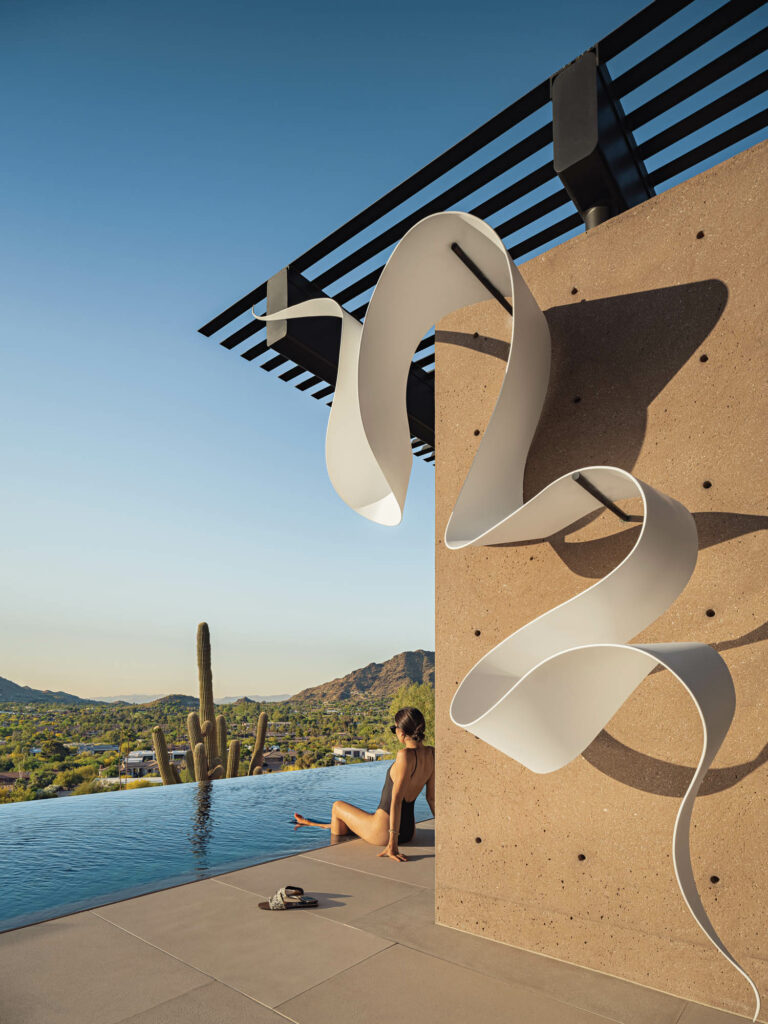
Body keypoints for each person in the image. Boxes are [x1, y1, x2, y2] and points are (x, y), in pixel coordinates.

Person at [293, 707, 435, 862]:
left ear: (401, 732)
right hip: (409, 831)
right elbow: (432, 799)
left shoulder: (404, 755)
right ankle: (314, 824)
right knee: (359, 817)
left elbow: (396, 802)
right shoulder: (432, 753)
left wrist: (392, 844)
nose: (395, 733)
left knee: (337, 806)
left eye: (394, 729)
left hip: (384, 831)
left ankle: (334, 845)